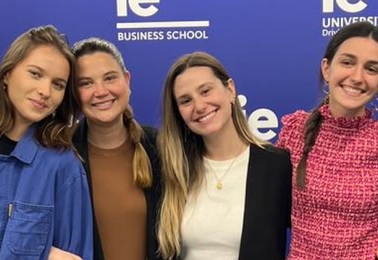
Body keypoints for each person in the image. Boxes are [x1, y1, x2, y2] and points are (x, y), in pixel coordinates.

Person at [157, 51, 292, 260]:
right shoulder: (174, 169)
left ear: (230, 89)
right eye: (185, 101)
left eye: (206, 91)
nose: (199, 106)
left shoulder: (277, 166)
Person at [277, 21, 378, 259]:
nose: (357, 77)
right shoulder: (294, 131)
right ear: (326, 68)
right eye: (347, 62)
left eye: (372, 69)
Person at [0, 25, 93, 260]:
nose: (44, 91)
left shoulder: (63, 166)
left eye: (58, 84)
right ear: (7, 74)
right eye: (35, 74)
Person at [71, 37, 162, 260]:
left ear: (127, 80)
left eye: (110, 78)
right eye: (86, 83)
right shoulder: (60, 152)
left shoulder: (160, 147)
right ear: (73, 93)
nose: (100, 91)